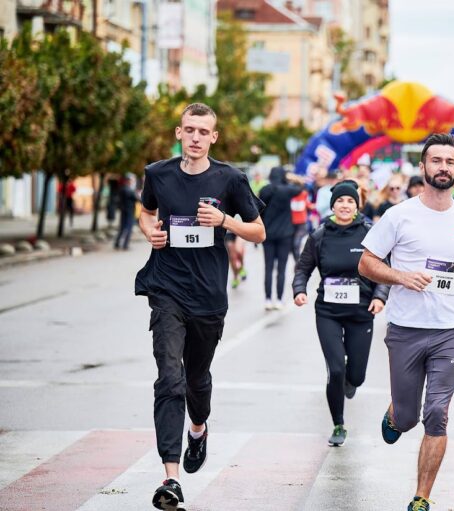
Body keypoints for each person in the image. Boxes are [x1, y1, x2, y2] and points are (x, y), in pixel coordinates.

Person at [358, 133, 454, 511]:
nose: (443, 167)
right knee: (407, 418)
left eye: (449, 162)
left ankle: (421, 498)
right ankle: (395, 412)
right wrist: (401, 277)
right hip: (406, 329)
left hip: (452, 330)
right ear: (422, 167)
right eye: (435, 161)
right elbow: (367, 262)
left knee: (437, 412)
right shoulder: (399, 215)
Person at [135, 103, 266, 511]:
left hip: (209, 296)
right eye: (188, 129)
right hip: (167, 288)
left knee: (197, 379)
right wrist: (149, 233)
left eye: (202, 131)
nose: (194, 137)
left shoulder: (231, 178)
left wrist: (225, 222)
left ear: (214, 137)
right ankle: (171, 478)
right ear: (179, 133)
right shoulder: (158, 173)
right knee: (169, 379)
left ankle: (198, 428)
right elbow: (146, 211)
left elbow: (258, 231)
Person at [292, 180, 390, 447]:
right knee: (336, 370)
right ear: (333, 205)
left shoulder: (370, 233)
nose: (345, 205)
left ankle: (350, 380)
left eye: (350, 201)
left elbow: (384, 269)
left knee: (355, 376)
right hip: (328, 312)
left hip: (361, 311)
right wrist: (299, 290)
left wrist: (380, 297)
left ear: (356, 205)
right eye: (340, 201)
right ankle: (338, 424)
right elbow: (303, 269)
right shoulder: (320, 235)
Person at [258, 167, 303, 310]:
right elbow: (302, 187)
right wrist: (292, 178)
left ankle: (267, 299)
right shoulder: (288, 190)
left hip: (268, 234)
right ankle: (279, 299)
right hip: (285, 234)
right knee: (281, 269)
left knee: (268, 267)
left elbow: (257, 208)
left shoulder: (265, 190)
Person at [290, 181, 313, 261]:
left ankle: (298, 261)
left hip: (302, 223)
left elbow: (309, 205)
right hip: (292, 223)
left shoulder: (304, 194)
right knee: (293, 244)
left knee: (296, 243)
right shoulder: (290, 196)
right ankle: (297, 260)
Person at [114, 175, 139, 250]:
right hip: (130, 211)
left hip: (123, 210)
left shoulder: (121, 189)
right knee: (129, 227)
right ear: (128, 181)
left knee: (122, 227)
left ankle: (117, 243)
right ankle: (125, 245)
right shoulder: (130, 190)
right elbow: (137, 198)